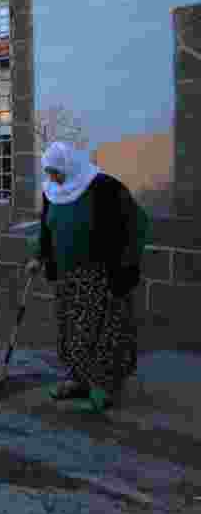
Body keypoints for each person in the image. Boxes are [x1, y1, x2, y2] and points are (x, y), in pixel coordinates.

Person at [25, 141, 148, 414]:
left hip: (100, 277)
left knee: (101, 333)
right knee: (71, 332)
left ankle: (102, 386)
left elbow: (136, 224)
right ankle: (78, 380)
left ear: (69, 165)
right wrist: (37, 256)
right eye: (48, 171)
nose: (51, 177)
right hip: (67, 277)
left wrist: (127, 267)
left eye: (55, 171)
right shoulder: (52, 192)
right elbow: (46, 229)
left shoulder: (103, 187)